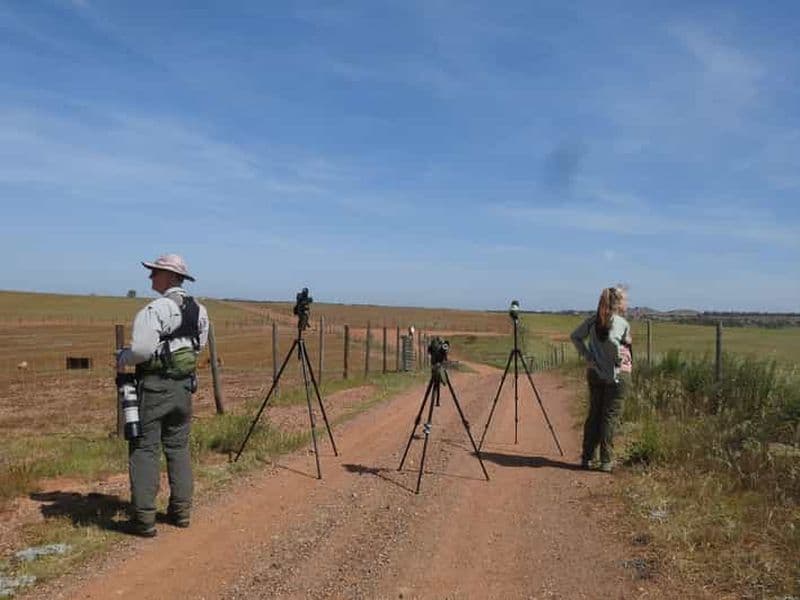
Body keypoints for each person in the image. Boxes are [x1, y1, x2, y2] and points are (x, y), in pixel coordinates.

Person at [117, 254, 209, 537]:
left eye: (155, 272)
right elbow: (199, 346)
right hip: (183, 389)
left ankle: (144, 520)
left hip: (154, 388)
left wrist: (123, 357)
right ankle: (181, 513)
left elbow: (142, 350)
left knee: (145, 449)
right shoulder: (200, 310)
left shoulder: (156, 309)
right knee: (178, 448)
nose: (150, 277)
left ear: (170, 276)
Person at [570, 286, 632, 473]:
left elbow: (575, 337)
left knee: (595, 414)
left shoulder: (592, 320)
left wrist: (588, 356)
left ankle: (587, 457)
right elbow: (613, 341)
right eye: (626, 299)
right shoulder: (620, 322)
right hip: (617, 375)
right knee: (609, 416)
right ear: (618, 303)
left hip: (595, 373)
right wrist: (616, 359)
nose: (628, 303)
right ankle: (606, 461)